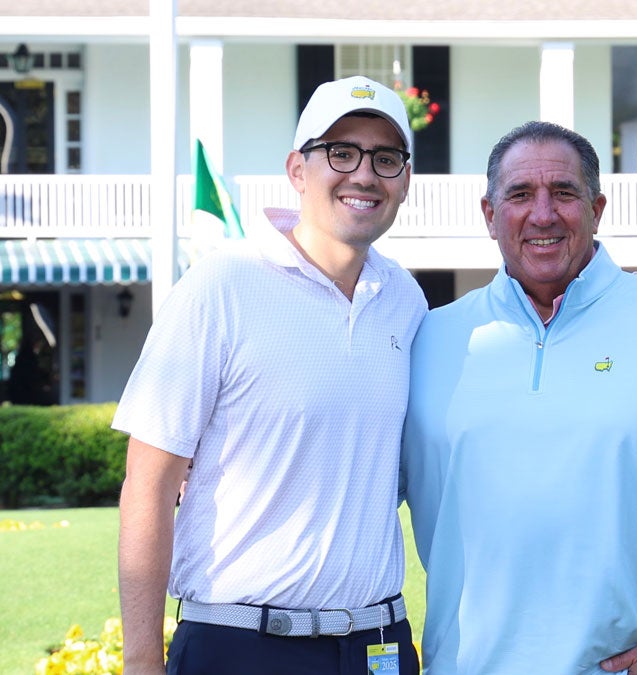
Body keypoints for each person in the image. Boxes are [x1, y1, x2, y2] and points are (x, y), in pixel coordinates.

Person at [401, 121, 637, 674]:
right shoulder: (430, 342)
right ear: (489, 216)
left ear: (597, 209)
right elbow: (357, 503)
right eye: (519, 195)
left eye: (564, 193)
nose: (543, 214)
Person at [114, 75, 427, 675]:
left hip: (378, 645)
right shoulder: (219, 287)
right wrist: (141, 663)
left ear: (405, 179)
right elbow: (147, 486)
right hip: (242, 645)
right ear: (297, 168)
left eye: (385, 158)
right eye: (341, 152)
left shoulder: (405, 300)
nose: (364, 174)